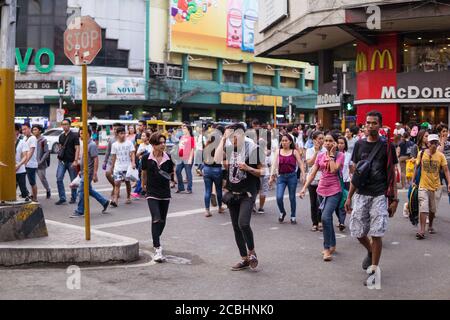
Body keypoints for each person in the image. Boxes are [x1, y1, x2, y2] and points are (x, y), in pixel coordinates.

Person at [344, 110, 399, 287]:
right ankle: (370, 251)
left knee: (376, 233)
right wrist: (349, 196)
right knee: (358, 231)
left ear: (380, 125)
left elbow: (392, 174)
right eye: (367, 123)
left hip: (379, 195)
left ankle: (374, 270)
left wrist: (394, 199)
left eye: (374, 123)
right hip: (361, 193)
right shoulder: (359, 145)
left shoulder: (387, 146)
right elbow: (357, 174)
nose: (370, 126)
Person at [214, 123, 265, 271]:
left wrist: (248, 168)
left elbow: (263, 172)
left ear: (241, 135)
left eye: (232, 136)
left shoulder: (253, 150)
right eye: (229, 136)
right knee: (236, 227)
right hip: (232, 193)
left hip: (247, 193)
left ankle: (252, 252)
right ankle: (244, 259)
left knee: (243, 223)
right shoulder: (230, 148)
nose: (231, 139)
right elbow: (217, 160)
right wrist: (223, 139)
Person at [300, 133, 344, 261]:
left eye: (331, 141)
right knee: (327, 218)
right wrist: (303, 188)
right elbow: (313, 174)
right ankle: (333, 244)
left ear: (335, 143)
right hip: (321, 190)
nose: (328, 143)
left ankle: (326, 249)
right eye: (326, 141)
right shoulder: (320, 156)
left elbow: (333, 169)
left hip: (335, 191)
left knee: (324, 217)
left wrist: (331, 155)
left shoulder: (340, 156)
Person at [141, 132, 175, 262]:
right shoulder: (146, 158)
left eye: (164, 142)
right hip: (152, 192)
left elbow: (171, 172)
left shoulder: (169, 157)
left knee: (162, 221)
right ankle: (157, 248)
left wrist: (173, 181)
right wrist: (143, 185)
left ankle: (155, 237)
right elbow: (144, 173)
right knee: (156, 218)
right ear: (153, 145)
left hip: (165, 193)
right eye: (160, 143)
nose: (163, 145)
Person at [414, 134, 450, 239]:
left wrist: (449, 183)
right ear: (427, 143)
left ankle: (430, 225)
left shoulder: (441, 156)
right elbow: (416, 167)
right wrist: (413, 181)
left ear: (438, 143)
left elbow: (446, 170)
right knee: (423, 207)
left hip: (436, 186)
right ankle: (421, 230)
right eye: (432, 142)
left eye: (435, 142)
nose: (433, 144)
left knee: (432, 210)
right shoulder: (421, 154)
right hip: (423, 185)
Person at [72, 127, 111, 218]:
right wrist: (81, 171)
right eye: (80, 133)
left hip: (88, 172)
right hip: (84, 171)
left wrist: (94, 173)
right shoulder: (85, 144)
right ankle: (104, 202)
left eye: (82, 133)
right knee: (88, 190)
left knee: (81, 191)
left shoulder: (92, 145)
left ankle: (80, 210)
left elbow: (95, 159)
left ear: (88, 134)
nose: (80, 135)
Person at [270, 134, 305, 224]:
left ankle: (293, 216)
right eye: (283, 141)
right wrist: (271, 176)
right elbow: (274, 164)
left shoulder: (294, 152)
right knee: (279, 197)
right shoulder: (278, 151)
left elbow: (300, 163)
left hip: (292, 177)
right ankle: (282, 212)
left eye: (286, 140)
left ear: (290, 142)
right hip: (281, 177)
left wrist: (303, 174)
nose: (284, 142)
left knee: (292, 197)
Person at [109, 126, 136, 206]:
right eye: (121, 133)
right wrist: (112, 167)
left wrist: (133, 162)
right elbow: (113, 156)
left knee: (127, 182)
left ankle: (128, 197)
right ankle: (115, 200)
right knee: (117, 183)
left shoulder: (129, 143)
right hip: (118, 167)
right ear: (117, 134)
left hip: (127, 167)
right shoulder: (114, 145)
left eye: (124, 133)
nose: (123, 135)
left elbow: (132, 153)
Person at [202, 126, 225, 217]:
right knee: (219, 190)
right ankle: (220, 207)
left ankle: (207, 210)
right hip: (217, 169)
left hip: (207, 169)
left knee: (207, 190)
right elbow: (223, 158)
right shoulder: (220, 146)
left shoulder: (206, 147)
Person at [55, 119, 80, 205]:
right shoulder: (61, 136)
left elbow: (77, 148)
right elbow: (60, 147)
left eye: (66, 124)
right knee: (59, 179)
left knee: (73, 181)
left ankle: (73, 197)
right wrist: (59, 155)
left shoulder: (74, 136)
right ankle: (62, 198)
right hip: (62, 161)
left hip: (71, 161)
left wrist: (76, 160)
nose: (64, 126)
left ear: (69, 125)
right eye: (63, 124)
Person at [305, 131, 326, 231]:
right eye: (320, 139)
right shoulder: (309, 150)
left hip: (323, 180)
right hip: (312, 180)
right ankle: (315, 223)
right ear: (314, 140)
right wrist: (317, 152)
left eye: (323, 138)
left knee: (320, 202)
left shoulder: (326, 150)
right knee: (313, 203)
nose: (322, 141)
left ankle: (321, 221)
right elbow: (309, 163)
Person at [335, 136, 351, 232]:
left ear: (345, 145)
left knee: (343, 203)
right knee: (336, 203)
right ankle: (340, 219)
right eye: (339, 143)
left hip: (346, 181)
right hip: (336, 182)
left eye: (342, 143)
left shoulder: (349, 155)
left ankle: (342, 222)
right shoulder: (334, 154)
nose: (340, 145)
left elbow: (351, 168)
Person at [32, 124, 51, 199]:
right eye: (33, 130)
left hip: (40, 164)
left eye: (35, 129)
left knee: (42, 178)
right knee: (32, 180)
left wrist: (40, 161)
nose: (34, 131)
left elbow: (46, 152)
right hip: (32, 163)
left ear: (40, 131)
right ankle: (33, 194)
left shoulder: (43, 140)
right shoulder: (31, 139)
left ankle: (48, 190)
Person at [175, 122, 195, 194]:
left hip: (188, 158)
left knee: (188, 173)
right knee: (177, 171)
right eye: (182, 128)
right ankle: (180, 188)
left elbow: (192, 149)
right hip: (180, 157)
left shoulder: (191, 138)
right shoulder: (182, 137)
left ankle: (189, 189)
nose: (183, 129)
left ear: (188, 130)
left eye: (184, 128)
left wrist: (190, 158)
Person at [21, 123, 39, 201]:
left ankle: (35, 198)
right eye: (22, 129)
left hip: (31, 164)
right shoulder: (24, 138)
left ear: (29, 128)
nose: (23, 131)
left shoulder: (33, 138)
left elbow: (31, 151)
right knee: (20, 180)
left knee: (32, 182)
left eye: (25, 129)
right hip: (24, 164)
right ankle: (28, 194)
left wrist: (25, 161)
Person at [103, 123, 121, 198]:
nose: (115, 130)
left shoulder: (123, 139)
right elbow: (107, 151)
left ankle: (117, 190)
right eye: (114, 129)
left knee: (118, 178)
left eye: (116, 129)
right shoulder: (111, 139)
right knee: (107, 174)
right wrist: (105, 161)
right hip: (111, 161)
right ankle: (114, 186)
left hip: (120, 162)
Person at [15, 124, 30, 200]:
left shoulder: (22, 143)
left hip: (20, 170)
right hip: (9, 170)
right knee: (9, 190)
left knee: (23, 189)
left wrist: (18, 165)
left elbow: (25, 156)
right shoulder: (4, 142)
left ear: (17, 132)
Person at [437, 124, 450, 204]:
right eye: (443, 131)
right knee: (436, 191)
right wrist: (442, 141)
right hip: (439, 170)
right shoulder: (436, 142)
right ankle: (432, 210)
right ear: (440, 133)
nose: (445, 133)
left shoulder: (449, 143)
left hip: (448, 169)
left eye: (446, 131)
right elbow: (440, 153)